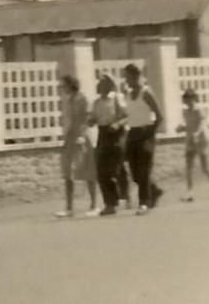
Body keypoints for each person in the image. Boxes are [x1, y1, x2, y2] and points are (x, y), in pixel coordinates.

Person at [121, 63, 164, 214]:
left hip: (145, 133)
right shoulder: (127, 94)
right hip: (132, 133)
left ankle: (144, 203)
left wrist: (150, 132)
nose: (126, 80)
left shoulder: (146, 93)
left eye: (127, 76)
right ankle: (154, 190)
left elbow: (159, 116)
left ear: (135, 76)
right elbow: (129, 115)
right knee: (135, 172)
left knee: (144, 170)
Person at [56, 75, 98, 218]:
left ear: (71, 85)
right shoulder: (67, 100)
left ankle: (94, 204)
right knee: (67, 172)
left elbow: (86, 118)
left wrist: (81, 135)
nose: (62, 88)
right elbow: (67, 120)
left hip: (81, 138)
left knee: (88, 171)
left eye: (64, 86)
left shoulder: (82, 98)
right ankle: (69, 207)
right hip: (69, 137)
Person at [91, 74, 129, 216]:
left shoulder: (116, 99)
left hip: (116, 135)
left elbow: (127, 116)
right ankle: (110, 203)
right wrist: (90, 120)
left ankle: (122, 196)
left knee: (114, 170)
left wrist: (118, 124)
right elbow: (93, 118)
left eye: (104, 83)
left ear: (110, 86)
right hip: (102, 135)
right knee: (101, 170)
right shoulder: (96, 103)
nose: (101, 86)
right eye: (100, 83)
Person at [182, 88, 209, 202]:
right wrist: (182, 128)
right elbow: (189, 125)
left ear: (194, 98)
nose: (188, 101)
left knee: (205, 168)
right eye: (186, 99)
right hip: (191, 139)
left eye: (190, 98)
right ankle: (190, 193)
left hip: (202, 140)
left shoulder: (199, 109)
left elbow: (202, 123)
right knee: (189, 166)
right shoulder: (185, 111)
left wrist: (197, 133)